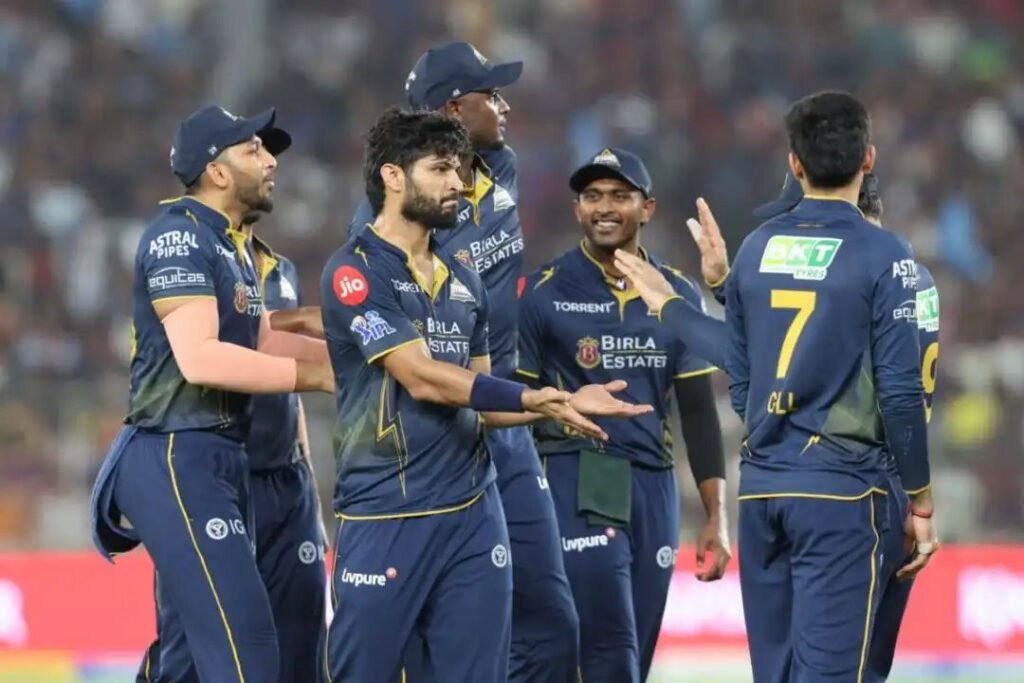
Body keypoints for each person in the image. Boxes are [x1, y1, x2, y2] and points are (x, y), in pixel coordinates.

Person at [321, 108, 651, 682]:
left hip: (473, 515)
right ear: (393, 176)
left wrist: (560, 403)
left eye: (460, 169)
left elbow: (484, 401)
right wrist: (535, 399)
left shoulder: (462, 279)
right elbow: (420, 376)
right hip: (386, 513)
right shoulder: (355, 272)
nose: (458, 182)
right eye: (441, 169)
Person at [618, 172, 942, 681]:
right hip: (872, 487)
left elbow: (769, 363)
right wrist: (725, 288)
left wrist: (673, 308)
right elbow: (806, 339)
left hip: (844, 488)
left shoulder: (873, 277)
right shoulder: (908, 279)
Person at [346, 42, 581, 682]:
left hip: (503, 419)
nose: (504, 107)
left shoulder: (500, 166)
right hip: (438, 433)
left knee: (552, 622)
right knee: (431, 633)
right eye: (491, 95)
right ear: (453, 108)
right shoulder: (391, 222)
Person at [89, 105, 334, 683]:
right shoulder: (179, 235)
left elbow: (264, 338)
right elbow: (199, 359)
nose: (271, 161)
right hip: (176, 449)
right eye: (253, 150)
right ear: (216, 171)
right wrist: (319, 376)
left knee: (222, 652)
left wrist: (357, 359)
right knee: (244, 647)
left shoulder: (235, 248)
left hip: (222, 454)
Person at [724, 91, 936, 682]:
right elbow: (899, 392)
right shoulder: (886, 254)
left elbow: (741, 388)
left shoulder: (755, 249)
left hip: (761, 493)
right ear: (869, 158)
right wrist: (920, 499)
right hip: (841, 494)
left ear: (795, 164)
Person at [516, 147, 731, 683]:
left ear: (647, 208)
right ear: (577, 210)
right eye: (592, 196)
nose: (604, 207)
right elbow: (514, 403)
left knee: (636, 647)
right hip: (579, 472)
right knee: (609, 645)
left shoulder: (678, 293)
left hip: (653, 484)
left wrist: (716, 516)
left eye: (619, 196)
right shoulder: (542, 291)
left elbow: (697, 412)